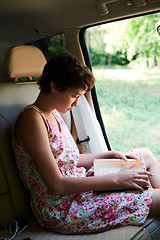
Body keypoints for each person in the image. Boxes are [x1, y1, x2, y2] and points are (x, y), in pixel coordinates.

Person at [12, 52, 160, 234]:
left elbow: (69, 160)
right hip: (63, 206)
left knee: (144, 154)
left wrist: (108, 154)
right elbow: (57, 185)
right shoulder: (32, 120)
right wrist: (115, 180)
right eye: (74, 96)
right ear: (54, 86)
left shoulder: (54, 113)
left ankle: (150, 197)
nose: (76, 103)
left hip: (78, 186)